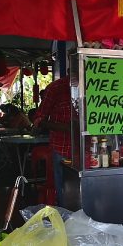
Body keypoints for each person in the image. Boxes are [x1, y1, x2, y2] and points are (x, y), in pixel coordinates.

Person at [32, 75, 71, 206]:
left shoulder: (93, 83)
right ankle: (65, 219)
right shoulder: (56, 88)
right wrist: (66, 128)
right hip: (63, 147)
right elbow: (39, 120)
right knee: (63, 190)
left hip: (90, 148)